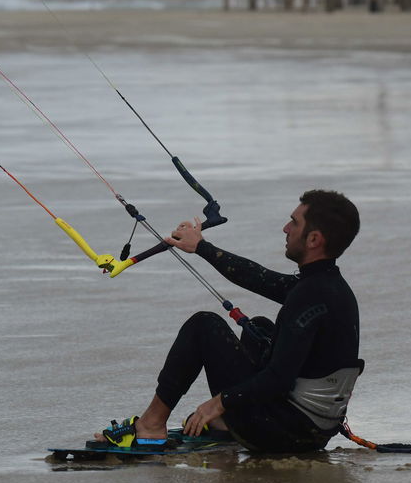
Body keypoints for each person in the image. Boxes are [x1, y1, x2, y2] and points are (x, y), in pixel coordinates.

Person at [94, 189, 363, 454]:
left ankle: (150, 426)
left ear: (314, 239)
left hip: (285, 434)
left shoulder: (310, 295)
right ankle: (225, 427)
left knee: (204, 326)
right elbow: (259, 278)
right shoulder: (328, 287)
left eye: (294, 222)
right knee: (259, 327)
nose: (285, 228)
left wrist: (217, 404)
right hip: (312, 430)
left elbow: (278, 379)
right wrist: (200, 247)